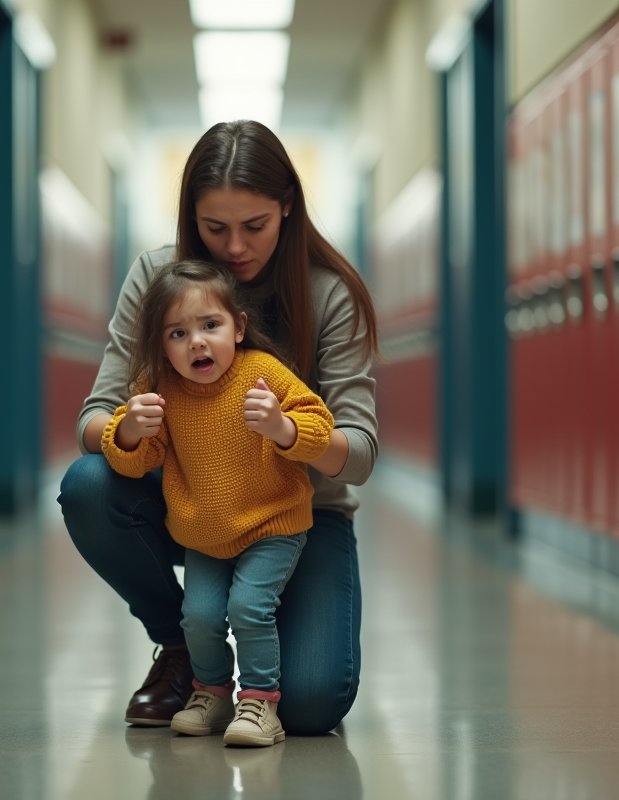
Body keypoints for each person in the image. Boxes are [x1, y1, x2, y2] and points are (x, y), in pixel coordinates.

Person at [60, 120, 379, 736]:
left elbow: (359, 454)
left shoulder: (329, 293)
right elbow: (92, 419)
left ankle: (249, 677)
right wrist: (127, 430)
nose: (234, 246)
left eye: (254, 226)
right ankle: (181, 649)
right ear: (190, 217)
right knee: (89, 485)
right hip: (193, 505)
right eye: (215, 228)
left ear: (287, 206)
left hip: (298, 517)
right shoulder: (158, 277)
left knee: (311, 704)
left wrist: (290, 432)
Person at [102, 260, 333, 746]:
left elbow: (320, 424)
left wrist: (282, 427)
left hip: (273, 524)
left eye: (211, 326)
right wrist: (126, 429)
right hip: (203, 532)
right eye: (178, 333)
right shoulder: (160, 387)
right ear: (161, 345)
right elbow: (137, 460)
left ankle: (258, 703)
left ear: (239, 327)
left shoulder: (263, 372)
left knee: (249, 607)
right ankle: (211, 692)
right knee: (200, 616)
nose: (198, 342)